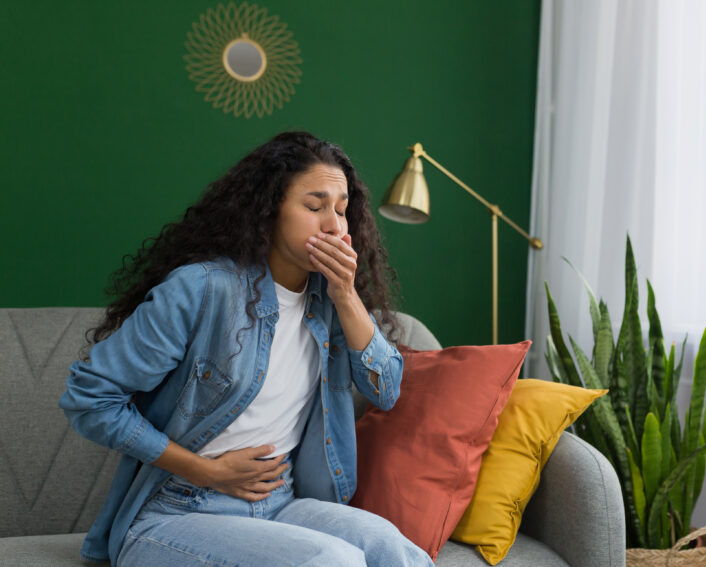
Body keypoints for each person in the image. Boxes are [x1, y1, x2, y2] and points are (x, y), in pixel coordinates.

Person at [59, 131, 434, 567]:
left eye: (342, 209)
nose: (333, 224)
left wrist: (347, 297)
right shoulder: (201, 290)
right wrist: (207, 471)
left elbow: (385, 390)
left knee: (392, 549)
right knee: (332, 561)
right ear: (269, 210)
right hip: (176, 513)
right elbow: (89, 400)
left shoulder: (332, 300)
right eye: (314, 207)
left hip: (280, 504)